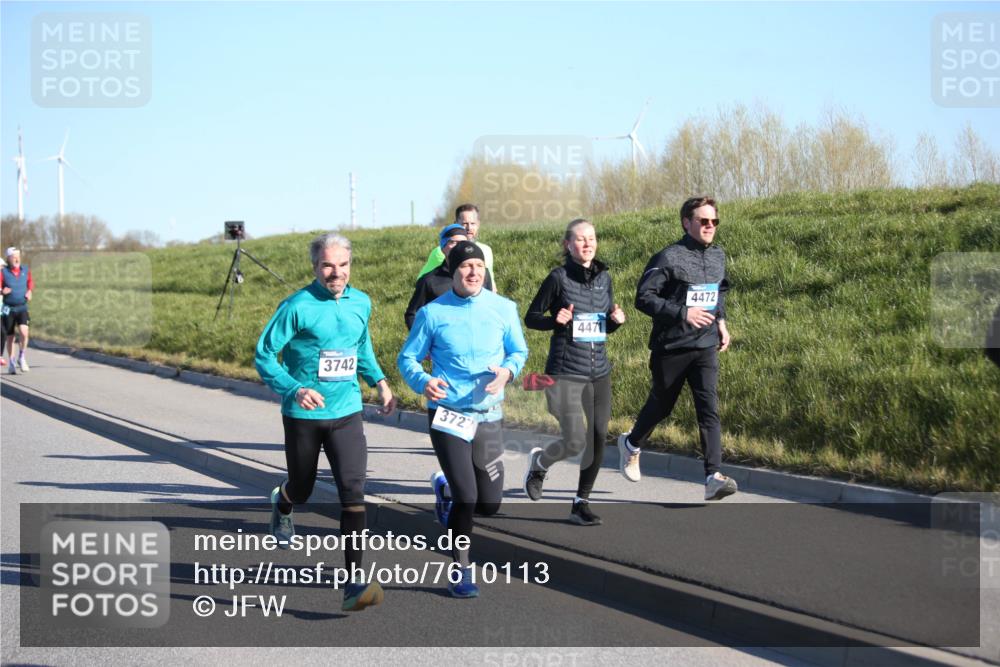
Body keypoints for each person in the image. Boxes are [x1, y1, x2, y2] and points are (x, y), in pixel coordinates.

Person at [255, 232, 397, 612]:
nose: (337, 273)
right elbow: (264, 355)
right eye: (328, 266)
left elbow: (360, 346)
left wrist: (380, 382)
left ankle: (353, 582)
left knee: (353, 492)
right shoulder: (297, 306)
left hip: (346, 411)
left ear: (351, 264)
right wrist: (294, 388)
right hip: (304, 415)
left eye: (343, 265)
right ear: (315, 267)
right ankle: (282, 503)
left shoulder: (361, 302)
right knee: (302, 488)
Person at [398, 241, 527, 598]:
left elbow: (519, 349)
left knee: (489, 503)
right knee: (468, 497)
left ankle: (444, 489)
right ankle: (461, 568)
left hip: (489, 415)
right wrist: (424, 381)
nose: (474, 273)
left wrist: (508, 372)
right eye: (466, 267)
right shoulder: (432, 313)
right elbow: (408, 359)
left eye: (479, 267)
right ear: (453, 271)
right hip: (448, 415)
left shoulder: (503, 308)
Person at [618, 196, 738, 501]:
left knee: (708, 409)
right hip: (671, 346)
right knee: (662, 406)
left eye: (714, 221)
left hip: (705, 345)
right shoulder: (668, 257)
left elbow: (718, 292)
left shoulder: (718, 256)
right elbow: (644, 297)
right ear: (687, 222)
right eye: (703, 221)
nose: (710, 226)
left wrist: (721, 322)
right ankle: (631, 444)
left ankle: (713, 476)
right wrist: (682, 313)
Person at [523, 219, 625, 525]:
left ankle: (581, 502)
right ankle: (540, 462)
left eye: (591, 238)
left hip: (599, 371)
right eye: (580, 239)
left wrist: (615, 322)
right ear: (568, 245)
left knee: (597, 435)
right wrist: (556, 319)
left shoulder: (604, 278)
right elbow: (531, 318)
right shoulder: (558, 278)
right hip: (565, 370)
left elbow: (600, 325)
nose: (587, 244)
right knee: (575, 440)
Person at [404, 224, 493, 330]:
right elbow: (412, 315)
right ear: (443, 248)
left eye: (463, 242)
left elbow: (490, 308)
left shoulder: (481, 274)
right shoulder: (429, 281)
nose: (459, 246)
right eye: (453, 242)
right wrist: (425, 341)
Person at [417, 204, 496, 289]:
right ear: (455, 224)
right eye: (464, 224)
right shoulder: (441, 252)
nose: (469, 228)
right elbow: (422, 282)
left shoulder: (486, 250)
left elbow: (491, 284)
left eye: (473, 223)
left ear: (478, 224)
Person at [1, 247, 34, 374]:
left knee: (24, 333)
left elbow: (30, 282)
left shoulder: (25, 270)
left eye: (18, 256)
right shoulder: (3, 272)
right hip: (8, 309)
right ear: (8, 258)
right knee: (10, 338)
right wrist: (1, 291)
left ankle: (22, 356)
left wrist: (30, 291)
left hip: (22, 307)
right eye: (14, 256)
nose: (17, 258)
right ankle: (12, 362)